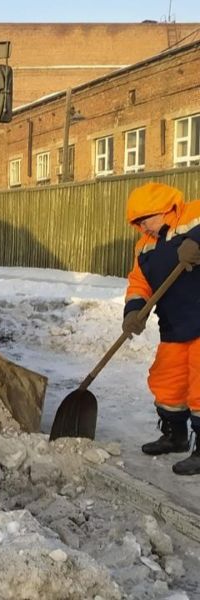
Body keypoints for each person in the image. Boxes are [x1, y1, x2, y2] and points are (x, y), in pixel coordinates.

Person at [122, 182, 200, 475]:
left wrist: (197, 241)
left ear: (164, 209)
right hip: (174, 326)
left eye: (146, 219)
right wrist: (133, 311)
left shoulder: (193, 215)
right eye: (138, 222)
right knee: (167, 382)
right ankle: (175, 435)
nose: (143, 226)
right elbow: (139, 284)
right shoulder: (144, 246)